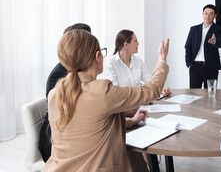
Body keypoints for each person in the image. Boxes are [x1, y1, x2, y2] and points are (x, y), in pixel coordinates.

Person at [43, 29, 169, 172]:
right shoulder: (102, 91)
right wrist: (162, 60)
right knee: (134, 155)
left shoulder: (54, 93)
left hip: (56, 168)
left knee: (133, 155)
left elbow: (89, 126)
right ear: (97, 56)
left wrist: (131, 121)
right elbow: (152, 90)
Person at [39, 23, 92, 162]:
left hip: (73, 133)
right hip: (56, 143)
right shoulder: (58, 77)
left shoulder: (80, 69)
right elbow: (80, 110)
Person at [105, 29, 171, 100]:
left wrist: (161, 89)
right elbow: (114, 93)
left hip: (139, 104)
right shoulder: (111, 63)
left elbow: (149, 81)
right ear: (126, 44)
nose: (138, 44)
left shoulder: (138, 60)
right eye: (135, 41)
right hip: (123, 107)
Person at [185, 4, 221, 88]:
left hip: (211, 67)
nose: (207, 16)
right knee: (194, 95)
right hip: (195, 67)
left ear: (215, 16)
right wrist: (189, 63)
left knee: (210, 96)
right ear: (202, 14)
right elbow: (188, 46)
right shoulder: (194, 29)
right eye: (206, 13)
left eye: (211, 14)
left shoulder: (219, 29)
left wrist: (214, 42)